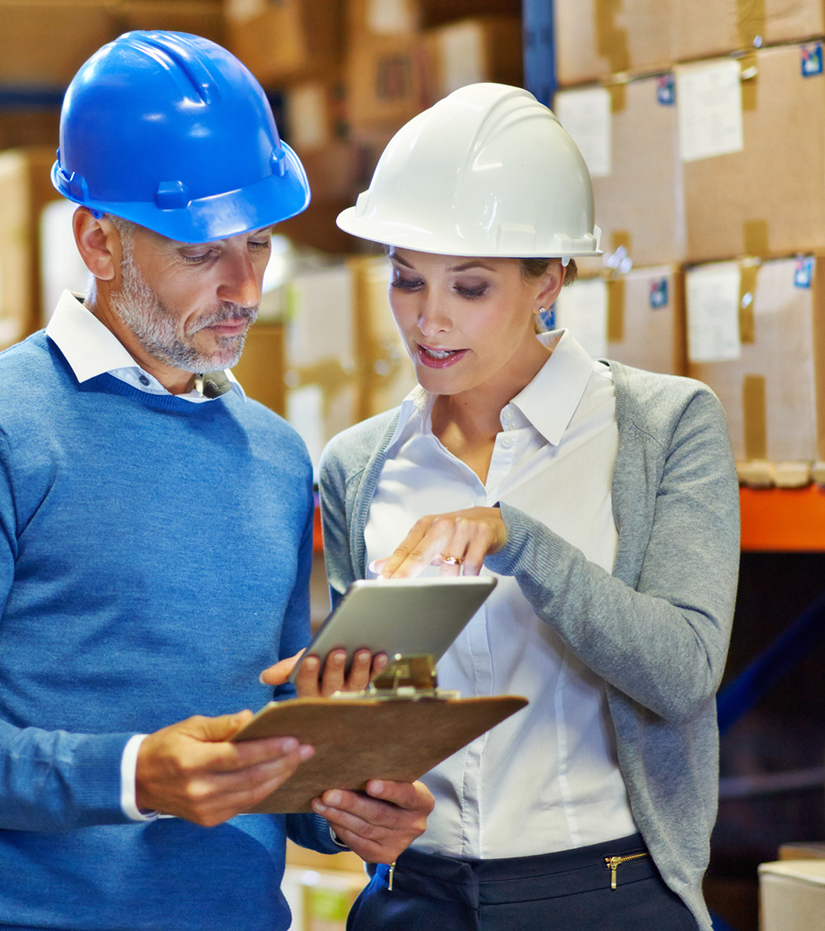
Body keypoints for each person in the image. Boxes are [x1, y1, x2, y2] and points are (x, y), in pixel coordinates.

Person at [0, 32, 432, 931]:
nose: (245, 287)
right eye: (203, 252)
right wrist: (131, 777)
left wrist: (339, 801)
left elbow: (264, 719)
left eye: (261, 242)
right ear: (99, 240)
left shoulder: (275, 456)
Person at [270, 83, 740, 931]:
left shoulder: (664, 427)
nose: (429, 319)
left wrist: (516, 536)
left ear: (548, 280)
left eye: (472, 287)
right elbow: (377, 709)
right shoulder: (359, 464)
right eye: (408, 281)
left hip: (606, 896)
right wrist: (338, 784)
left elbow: (683, 672)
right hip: (415, 898)